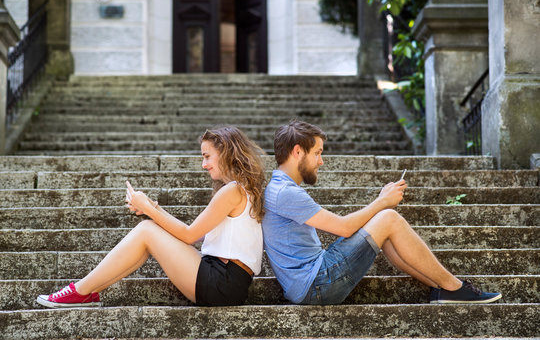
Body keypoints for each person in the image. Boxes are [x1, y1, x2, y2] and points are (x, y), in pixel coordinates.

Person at [262, 119, 502, 305]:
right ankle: (455, 287)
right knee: (387, 218)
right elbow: (343, 228)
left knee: (383, 227)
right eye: (317, 153)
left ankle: (443, 288)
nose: (321, 161)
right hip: (315, 284)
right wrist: (382, 201)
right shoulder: (285, 192)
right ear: (297, 152)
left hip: (311, 282)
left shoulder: (281, 188)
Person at [37, 126, 266, 308]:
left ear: (225, 152)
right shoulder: (240, 188)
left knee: (147, 230)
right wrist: (151, 208)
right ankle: (85, 293)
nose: (203, 164)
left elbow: (189, 235)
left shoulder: (232, 191)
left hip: (222, 282)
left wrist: (149, 208)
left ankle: (79, 291)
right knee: (148, 231)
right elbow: (190, 233)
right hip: (224, 279)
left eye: (207, 156)